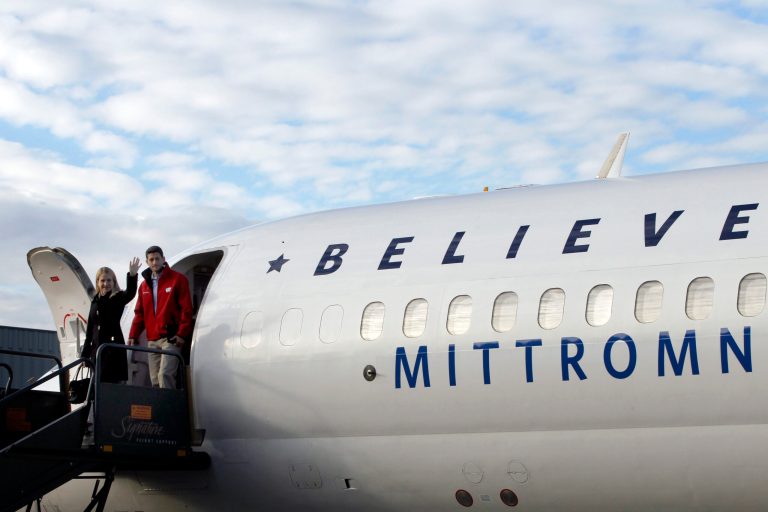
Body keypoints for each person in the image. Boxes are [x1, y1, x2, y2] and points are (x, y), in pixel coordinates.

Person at [128, 246, 193, 389]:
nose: (155, 262)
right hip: (152, 340)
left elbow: (186, 309)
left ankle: (168, 410)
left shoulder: (178, 279)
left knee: (165, 375)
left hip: (171, 337)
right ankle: (159, 410)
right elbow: (139, 313)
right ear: (147, 262)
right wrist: (133, 334)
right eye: (151, 259)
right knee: (155, 380)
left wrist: (182, 334)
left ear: (163, 259)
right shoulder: (144, 286)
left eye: (157, 258)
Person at [82, 258, 141, 383]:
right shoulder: (95, 302)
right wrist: (84, 355)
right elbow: (90, 331)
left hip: (112, 351)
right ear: (97, 282)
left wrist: (132, 275)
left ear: (114, 282)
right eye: (103, 280)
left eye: (109, 280)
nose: (106, 283)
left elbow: (130, 293)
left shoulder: (117, 298)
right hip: (97, 351)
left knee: (110, 386)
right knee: (95, 387)